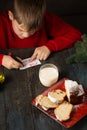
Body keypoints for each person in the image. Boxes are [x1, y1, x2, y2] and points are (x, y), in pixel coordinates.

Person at [0, 0, 82, 69]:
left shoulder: (45, 19)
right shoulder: (1, 23)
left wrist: (50, 47)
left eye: (33, 29)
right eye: (20, 29)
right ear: (11, 15)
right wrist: (2, 59)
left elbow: (76, 35)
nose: (26, 35)